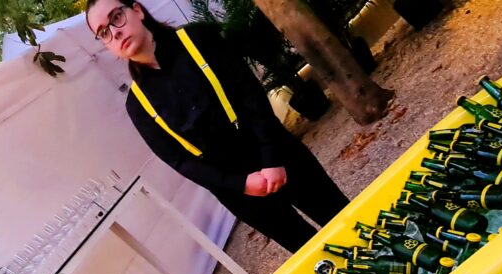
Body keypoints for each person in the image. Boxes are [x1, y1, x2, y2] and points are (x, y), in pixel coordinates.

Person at [85, 0, 351, 253]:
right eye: (103, 32)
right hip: (241, 194)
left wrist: (272, 161)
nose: (115, 33)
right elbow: (181, 162)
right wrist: (242, 184)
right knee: (314, 254)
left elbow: (250, 95)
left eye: (116, 17)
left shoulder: (199, 39)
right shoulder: (137, 105)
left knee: (347, 220)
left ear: (137, 11)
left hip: (279, 152)